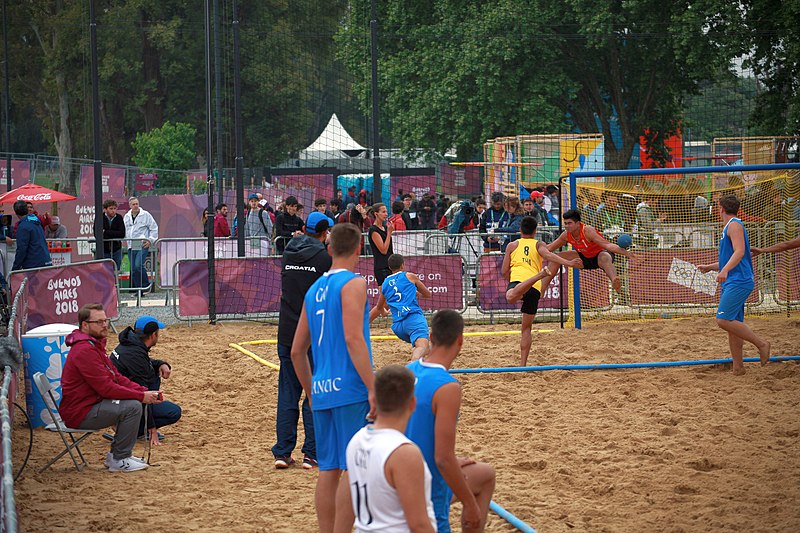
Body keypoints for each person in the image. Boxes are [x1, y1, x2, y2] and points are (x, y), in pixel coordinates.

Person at [291, 223, 376, 533]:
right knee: (354, 470)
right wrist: (372, 387)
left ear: (328, 249)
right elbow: (354, 339)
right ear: (359, 249)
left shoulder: (314, 289)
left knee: (328, 470)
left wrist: (311, 391)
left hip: (323, 389)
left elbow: (296, 351)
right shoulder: (354, 283)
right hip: (350, 388)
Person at [406, 310, 496, 533]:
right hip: (426, 484)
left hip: (397, 476)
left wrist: (453, 461)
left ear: (431, 337)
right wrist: (469, 503)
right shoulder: (448, 387)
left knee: (485, 474)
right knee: (473, 494)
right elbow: (442, 459)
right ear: (460, 340)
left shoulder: (407, 371)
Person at [59, 304, 163, 472]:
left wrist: (141, 391)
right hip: (80, 411)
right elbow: (106, 388)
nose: (105, 325)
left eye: (105, 320)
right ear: (85, 325)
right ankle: (119, 458)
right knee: (133, 407)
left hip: (87, 405)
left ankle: (120, 455)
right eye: (99, 322)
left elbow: (116, 377)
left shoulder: (92, 346)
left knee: (135, 404)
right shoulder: (85, 349)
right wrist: (140, 396)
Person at [337, 365, 436, 533]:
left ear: (375, 400)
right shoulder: (404, 453)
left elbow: (346, 500)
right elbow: (418, 524)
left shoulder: (356, 440)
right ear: (412, 403)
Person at [272, 211, 333, 470]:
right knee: (313, 393)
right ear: (323, 232)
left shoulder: (289, 251)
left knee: (288, 393)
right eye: (328, 230)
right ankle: (312, 453)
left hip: (287, 331)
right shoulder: (324, 258)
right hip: (313, 334)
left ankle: (282, 453)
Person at [698, 195, 770, 375]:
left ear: (721, 208)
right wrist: (711, 267)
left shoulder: (735, 225)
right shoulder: (729, 227)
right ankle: (738, 367)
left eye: (717, 206)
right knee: (733, 323)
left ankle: (762, 344)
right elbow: (731, 257)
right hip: (734, 279)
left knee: (723, 320)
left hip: (739, 280)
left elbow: (739, 252)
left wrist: (724, 271)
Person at [502, 216, 582, 365]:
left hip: (518, 282)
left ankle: (538, 276)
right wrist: (569, 263)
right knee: (526, 328)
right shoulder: (539, 244)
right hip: (535, 288)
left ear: (520, 230)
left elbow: (504, 270)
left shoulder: (512, 245)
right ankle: (523, 364)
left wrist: (510, 281)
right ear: (535, 231)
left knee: (510, 296)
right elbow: (550, 256)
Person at [110, 316, 182, 446]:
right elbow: (143, 393)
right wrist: (152, 429)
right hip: (124, 402)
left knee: (153, 375)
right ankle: (134, 429)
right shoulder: (135, 354)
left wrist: (161, 363)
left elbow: (146, 363)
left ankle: (128, 425)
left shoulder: (130, 344)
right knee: (173, 412)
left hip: (118, 398)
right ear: (153, 335)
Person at [540, 209, 638, 294]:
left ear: (578, 223)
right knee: (556, 258)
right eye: (565, 223)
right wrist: (536, 247)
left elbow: (607, 245)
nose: (566, 226)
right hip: (584, 257)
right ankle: (541, 289)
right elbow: (549, 248)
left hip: (600, 255)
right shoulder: (566, 235)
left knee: (604, 257)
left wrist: (626, 253)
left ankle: (614, 280)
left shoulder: (587, 231)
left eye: (569, 223)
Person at [369, 254, 432, 361]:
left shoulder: (385, 283)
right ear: (402, 265)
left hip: (398, 327)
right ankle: (413, 364)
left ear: (389, 268)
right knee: (421, 346)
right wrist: (417, 293)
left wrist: (384, 313)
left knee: (427, 347)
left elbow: (379, 307)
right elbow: (427, 294)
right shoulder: (410, 276)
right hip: (413, 319)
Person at [124, 197, 159, 290]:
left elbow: (154, 228)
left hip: (142, 244)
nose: (136, 206)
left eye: (137, 204)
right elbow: (125, 230)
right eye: (133, 204)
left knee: (138, 265)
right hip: (131, 245)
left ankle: (145, 285)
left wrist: (150, 240)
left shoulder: (146, 215)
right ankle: (139, 289)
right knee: (133, 268)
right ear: (130, 205)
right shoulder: (126, 216)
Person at [11, 199, 52, 271]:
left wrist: (15, 268)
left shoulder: (23, 226)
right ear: (27, 210)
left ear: (16, 213)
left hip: (33, 265)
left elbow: (21, 249)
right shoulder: (36, 222)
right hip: (46, 260)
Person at [368, 203, 394, 285]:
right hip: (382, 268)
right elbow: (383, 250)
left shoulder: (385, 228)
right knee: (384, 296)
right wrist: (389, 233)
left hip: (390, 266)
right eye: (383, 212)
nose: (386, 214)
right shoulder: (373, 230)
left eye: (386, 212)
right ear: (376, 214)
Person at [102, 199, 125, 271]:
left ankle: (115, 282)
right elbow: (98, 234)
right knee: (105, 270)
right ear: (105, 209)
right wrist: (114, 233)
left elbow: (122, 234)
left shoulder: (119, 218)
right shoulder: (100, 218)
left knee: (116, 270)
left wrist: (106, 232)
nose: (113, 211)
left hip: (116, 249)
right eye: (111, 208)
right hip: (104, 249)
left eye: (115, 208)